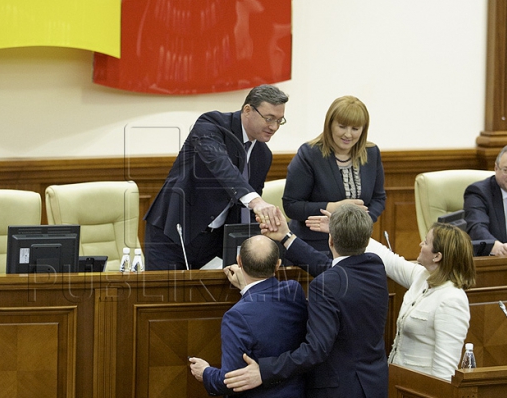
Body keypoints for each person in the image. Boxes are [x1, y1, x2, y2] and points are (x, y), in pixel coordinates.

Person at [224, 204, 389, 397]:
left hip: (339, 390)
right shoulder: (375, 268)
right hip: (374, 385)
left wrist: (264, 371)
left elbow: (315, 351)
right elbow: (336, 271)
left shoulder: (326, 285)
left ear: (330, 240)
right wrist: (286, 237)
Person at [307, 212, 476, 379]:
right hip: (398, 380)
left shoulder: (452, 299)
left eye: (425, 242)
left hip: (421, 386)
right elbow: (390, 259)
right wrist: (344, 229)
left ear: (437, 256)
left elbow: (445, 370)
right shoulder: (422, 277)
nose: (420, 244)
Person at [144, 85, 289, 270]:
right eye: (269, 119)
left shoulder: (263, 155)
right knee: (164, 296)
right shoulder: (211, 124)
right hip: (172, 232)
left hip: (215, 242)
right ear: (247, 110)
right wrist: (256, 201)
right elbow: (221, 165)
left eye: (279, 120)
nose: (274, 127)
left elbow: (245, 210)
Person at [188, 235, 308, 397]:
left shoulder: (237, 316)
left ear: (239, 261)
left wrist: (205, 373)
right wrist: (247, 289)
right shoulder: (294, 290)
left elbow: (231, 381)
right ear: (278, 264)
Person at [282, 95, 386, 254]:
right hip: (313, 247)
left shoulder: (371, 153)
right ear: (330, 124)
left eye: (355, 129)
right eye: (342, 126)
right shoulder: (309, 154)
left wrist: (359, 223)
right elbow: (292, 206)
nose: (348, 134)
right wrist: (334, 208)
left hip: (356, 244)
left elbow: (379, 199)